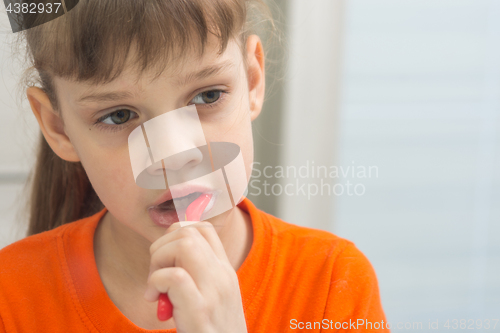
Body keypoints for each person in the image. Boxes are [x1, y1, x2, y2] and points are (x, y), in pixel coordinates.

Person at [0, 0, 389, 332]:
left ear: (252, 81)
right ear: (58, 127)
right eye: (119, 116)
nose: (174, 157)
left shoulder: (332, 285)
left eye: (207, 95)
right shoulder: (12, 295)